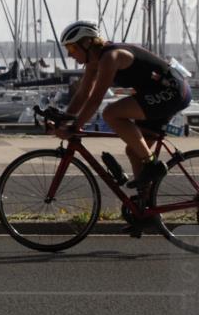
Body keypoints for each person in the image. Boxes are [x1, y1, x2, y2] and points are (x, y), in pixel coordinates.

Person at [56, 20, 191, 189]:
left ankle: (153, 164)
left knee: (110, 113)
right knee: (134, 152)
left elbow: (95, 99)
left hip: (173, 91)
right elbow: (83, 93)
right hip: (157, 94)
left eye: (71, 48)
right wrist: (65, 118)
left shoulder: (111, 57)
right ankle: (146, 210)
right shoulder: (93, 62)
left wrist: (75, 126)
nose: (70, 55)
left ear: (87, 43)